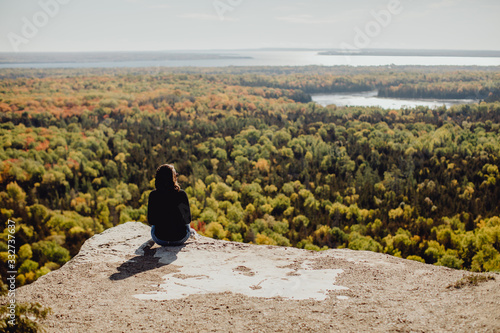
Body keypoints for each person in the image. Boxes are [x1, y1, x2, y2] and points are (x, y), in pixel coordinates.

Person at [148, 164, 192, 246]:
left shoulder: (153, 195)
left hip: (160, 239)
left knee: (153, 227)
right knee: (188, 225)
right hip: (180, 238)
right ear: (173, 177)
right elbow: (188, 219)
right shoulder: (181, 194)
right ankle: (192, 233)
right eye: (175, 174)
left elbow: (151, 221)